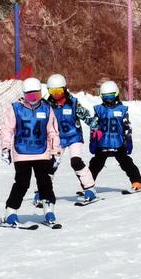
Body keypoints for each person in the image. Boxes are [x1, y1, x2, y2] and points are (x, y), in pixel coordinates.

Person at [0, 78, 61, 225]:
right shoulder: (16, 108)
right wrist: (5, 148)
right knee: (22, 183)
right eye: (30, 96)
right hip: (21, 153)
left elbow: (53, 131)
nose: (33, 99)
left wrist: (55, 151)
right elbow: (7, 129)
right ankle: (11, 211)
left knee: (44, 181)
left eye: (36, 95)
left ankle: (49, 209)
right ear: (24, 95)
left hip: (41, 151)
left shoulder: (46, 108)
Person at [35, 73, 99, 203]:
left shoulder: (73, 103)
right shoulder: (47, 105)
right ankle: (43, 191)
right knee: (50, 165)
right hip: (57, 139)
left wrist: (96, 127)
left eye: (58, 91)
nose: (56, 94)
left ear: (64, 89)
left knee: (76, 161)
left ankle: (90, 188)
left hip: (73, 136)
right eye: (52, 91)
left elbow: (85, 116)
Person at [88, 81, 141, 191]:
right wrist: (93, 140)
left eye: (110, 96)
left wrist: (128, 140)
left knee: (127, 163)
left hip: (118, 143)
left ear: (116, 95)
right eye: (105, 97)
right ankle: (88, 186)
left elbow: (127, 126)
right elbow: (94, 126)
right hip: (102, 143)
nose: (108, 100)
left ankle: (137, 181)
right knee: (95, 165)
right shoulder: (99, 110)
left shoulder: (122, 109)